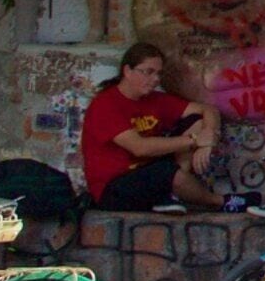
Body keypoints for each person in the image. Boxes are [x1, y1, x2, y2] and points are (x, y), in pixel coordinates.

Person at [81, 41, 221, 212]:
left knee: (194, 121)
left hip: (150, 174)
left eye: (158, 74)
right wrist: (195, 140)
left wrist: (208, 138)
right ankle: (220, 201)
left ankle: (171, 196)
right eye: (148, 72)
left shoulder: (155, 99)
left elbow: (208, 110)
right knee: (166, 173)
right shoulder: (105, 104)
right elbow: (139, 148)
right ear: (127, 71)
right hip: (114, 188)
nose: (155, 79)